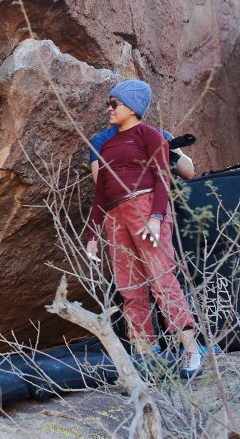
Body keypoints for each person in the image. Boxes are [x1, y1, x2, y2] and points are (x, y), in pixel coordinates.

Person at [85, 79, 201, 378]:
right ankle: (146, 354)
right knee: (129, 286)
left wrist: (156, 216)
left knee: (162, 277)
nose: (108, 109)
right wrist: (91, 234)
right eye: (108, 103)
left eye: (115, 104)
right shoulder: (104, 142)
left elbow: (175, 174)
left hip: (145, 207)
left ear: (132, 107)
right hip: (115, 213)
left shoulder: (152, 134)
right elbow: (101, 189)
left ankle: (189, 349)